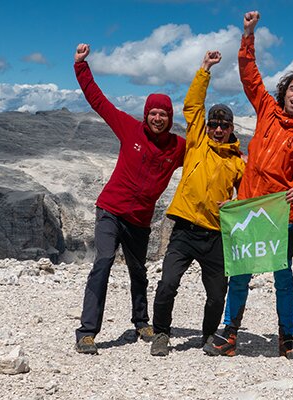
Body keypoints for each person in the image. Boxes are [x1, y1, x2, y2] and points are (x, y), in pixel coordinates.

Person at [204, 10, 293, 360]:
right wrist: (248, 34)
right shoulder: (267, 110)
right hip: (249, 208)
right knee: (240, 275)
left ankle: (287, 338)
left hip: (279, 215)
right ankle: (229, 336)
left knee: (283, 277)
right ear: (284, 91)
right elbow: (249, 74)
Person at [72, 43, 186, 355]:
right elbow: (99, 101)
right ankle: (86, 332)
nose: (158, 118)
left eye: (163, 114)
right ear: (146, 114)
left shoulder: (178, 148)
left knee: (139, 271)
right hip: (110, 209)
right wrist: (81, 66)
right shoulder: (129, 128)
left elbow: (205, 160)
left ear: (170, 117)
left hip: (139, 220)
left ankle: (141, 320)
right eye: (153, 113)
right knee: (104, 261)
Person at [149, 50, 246, 357]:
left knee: (218, 294)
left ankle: (208, 335)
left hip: (216, 235)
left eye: (224, 125)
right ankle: (161, 333)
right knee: (167, 284)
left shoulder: (238, 163)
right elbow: (192, 105)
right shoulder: (197, 141)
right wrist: (205, 70)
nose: (218, 129)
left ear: (231, 128)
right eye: (214, 124)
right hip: (185, 231)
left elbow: (246, 199)